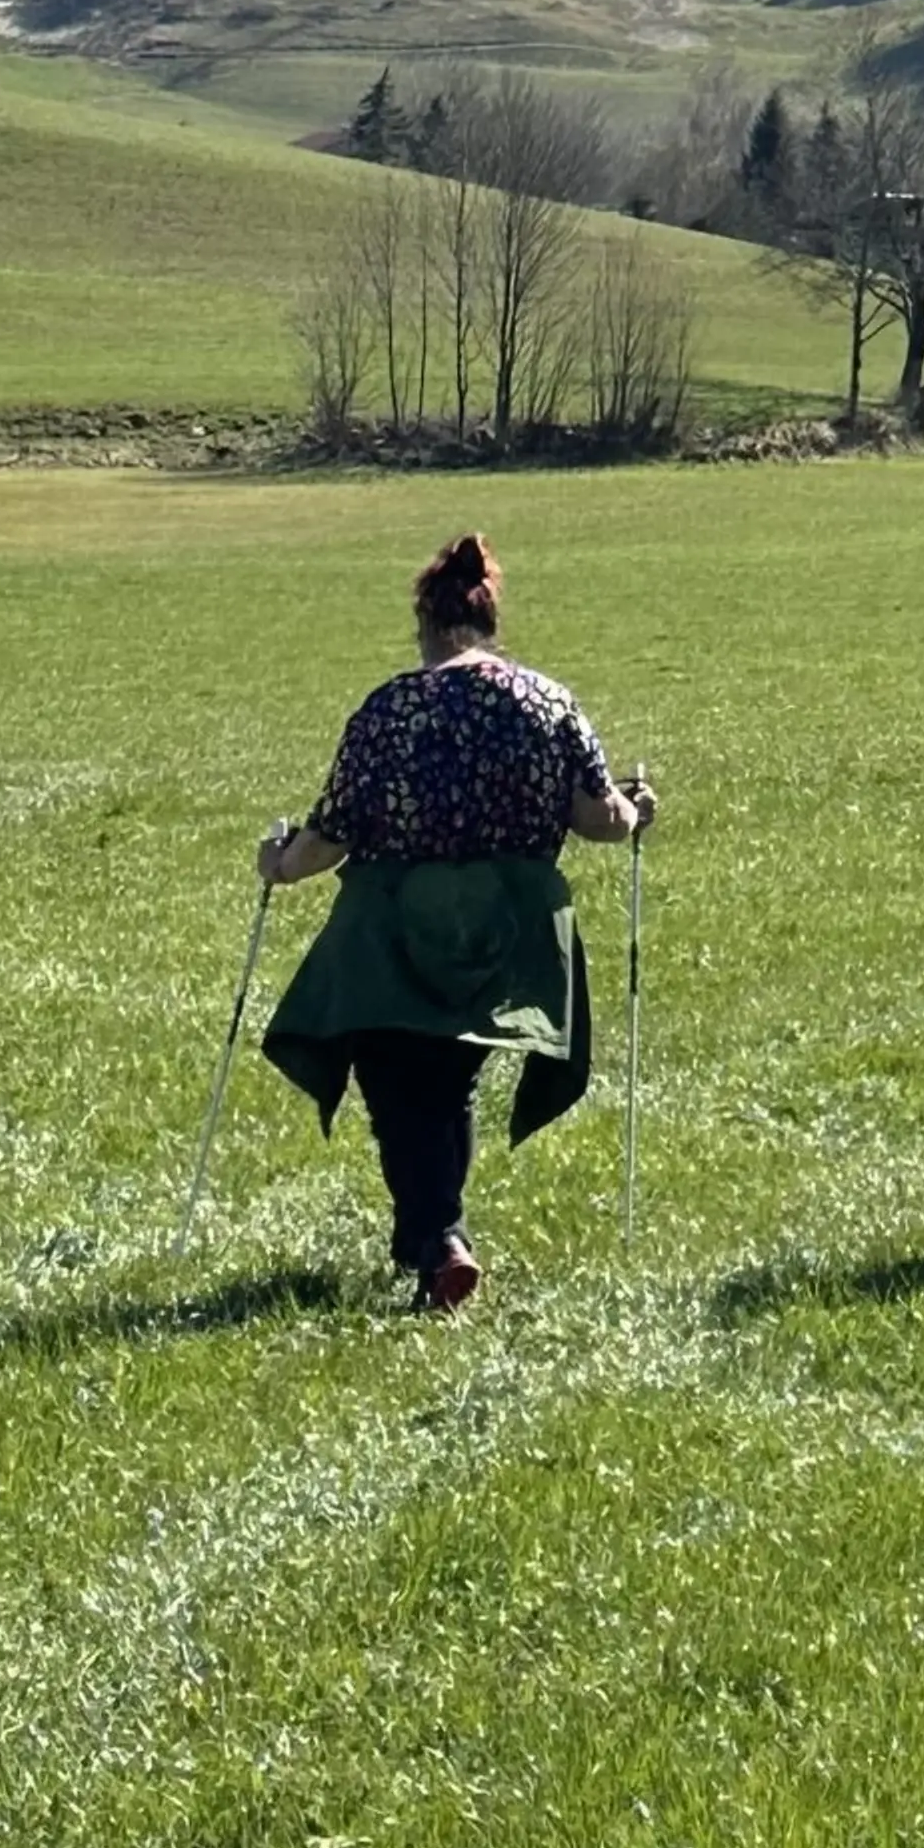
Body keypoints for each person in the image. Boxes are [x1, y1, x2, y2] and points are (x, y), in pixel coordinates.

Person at [256, 531, 651, 1310]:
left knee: (397, 1086)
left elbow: (331, 835)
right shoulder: (547, 701)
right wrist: (637, 812)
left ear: (427, 625)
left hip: (393, 931)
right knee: (446, 1085)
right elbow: (597, 817)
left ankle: (439, 1241)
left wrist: (278, 864)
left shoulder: (390, 709)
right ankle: (434, 1247)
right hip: (508, 934)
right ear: (488, 621)